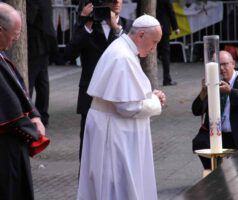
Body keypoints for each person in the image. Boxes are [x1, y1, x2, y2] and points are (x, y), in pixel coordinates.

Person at [77, 15, 165, 200]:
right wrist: (155, 103)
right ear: (141, 35)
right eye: (154, 42)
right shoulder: (122, 56)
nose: (154, 48)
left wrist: (149, 95)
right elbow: (127, 107)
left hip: (113, 128)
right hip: (113, 133)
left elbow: (125, 92)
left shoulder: (124, 49)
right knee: (116, 185)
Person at [64, 0, 132, 160]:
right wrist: (85, 24)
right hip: (90, 97)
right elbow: (68, 55)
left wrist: (116, 30)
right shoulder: (87, 26)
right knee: (88, 150)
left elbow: (133, 56)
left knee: (116, 151)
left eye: (118, 1)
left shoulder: (128, 26)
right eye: (111, 1)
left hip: (118, 95)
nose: (115, 4)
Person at [0, 2, 46, 199]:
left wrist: (34, 115)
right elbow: (6, 106)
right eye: (14, 34)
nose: (15, 40)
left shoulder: (3, 53)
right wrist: (30, 129)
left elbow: (18, 89)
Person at [192, 50, 238, 174]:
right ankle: (214, 171)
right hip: (218, 133)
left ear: (233, 63)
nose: (222, 69)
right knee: (200, 142)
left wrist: (231, 91)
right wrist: (203, 92)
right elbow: (196, 111)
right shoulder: (214, 81)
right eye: (218, 65)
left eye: (225, 64)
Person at [27, 0, 58, 127]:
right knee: (42, 82)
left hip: (36, 45)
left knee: (31, 81)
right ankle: (42, 115)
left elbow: (29, 17)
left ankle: (33, 115)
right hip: (42, 43)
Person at [156, 0, 180, 86]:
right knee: (165, 54)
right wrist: (175, 27)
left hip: (150, 27)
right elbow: (170, 11)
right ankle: (167, 79)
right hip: (163, 28)